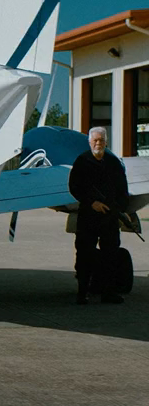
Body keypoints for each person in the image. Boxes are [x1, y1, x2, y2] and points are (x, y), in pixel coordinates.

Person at [68, 126, 129, 305]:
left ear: (106, 142)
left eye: (101, 140)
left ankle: (108, 293)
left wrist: (118, 208)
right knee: (84, 254)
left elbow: (122, 189)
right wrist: (92, 203)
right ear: (89, 142)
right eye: (95, 140)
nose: (98, 143)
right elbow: (74, 187)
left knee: (110, 254)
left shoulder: (113, 163)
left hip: (109, 217)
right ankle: (82, 292)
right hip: (88, 216)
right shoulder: (82, 161)